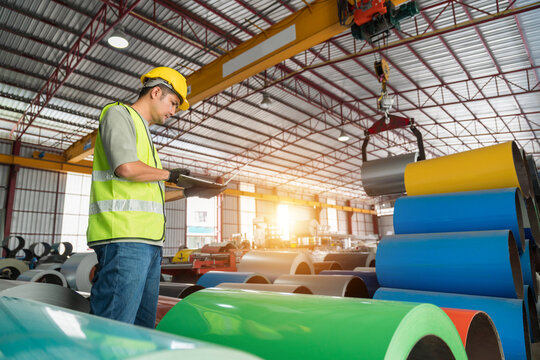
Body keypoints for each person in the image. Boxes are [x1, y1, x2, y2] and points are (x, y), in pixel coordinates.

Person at [87, 66, 224, 327]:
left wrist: (188, 191)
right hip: (124, 239)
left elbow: (150, 193)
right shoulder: (119, 114)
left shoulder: (146, 137)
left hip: (148, 244)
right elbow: (126, 168)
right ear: (156, 92)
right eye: (172, 103)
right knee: (114, 328)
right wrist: (170, 174)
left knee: (142, 328)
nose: (173, 112)